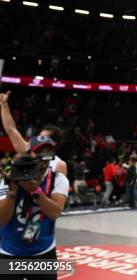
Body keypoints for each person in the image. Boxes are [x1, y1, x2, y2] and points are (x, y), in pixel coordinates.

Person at [0, 136, 69, 280]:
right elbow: (1, 220)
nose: (43, 158)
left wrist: (35, 191)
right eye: (38, 152)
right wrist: (11, 193)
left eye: (48, 153)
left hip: (43, 252)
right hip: (10, 252)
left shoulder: (58, 179)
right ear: (28, 153)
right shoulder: (10, 177)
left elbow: (55, 213)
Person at [0, 91, 68, 176]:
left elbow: (58, 189)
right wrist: (4, 104)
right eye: (39, 136)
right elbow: (11, 129)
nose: (38, 139)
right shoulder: (27, 149)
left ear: (53, 143)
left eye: (43, 137)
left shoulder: (59, 164)